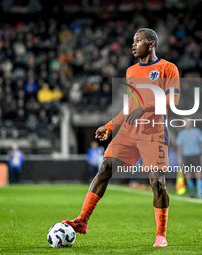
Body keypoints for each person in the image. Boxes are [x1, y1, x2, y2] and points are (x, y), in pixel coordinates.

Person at [63, 28, 181, 247]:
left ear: (151, 43)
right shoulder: (131, 72)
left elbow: (172, 100)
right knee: (105, 167)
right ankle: (82, 220)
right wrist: (109, 126)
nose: (133, 44)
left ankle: (161, 235)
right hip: (128, 131)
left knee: (157, 183)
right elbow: (129, 108)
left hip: (153, 131)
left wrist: (145, 108)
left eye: (138, 40)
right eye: (132, 40)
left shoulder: (168, 68)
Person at [176, 118, 202, 198]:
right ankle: (192, 192)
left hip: (196, 155)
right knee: (188, 174)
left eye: (189, 122)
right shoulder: (182, 134)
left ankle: (200, 193)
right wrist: (179, 157)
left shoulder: (197, 132)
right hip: (187, 156)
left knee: (198, 173)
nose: (187, 123)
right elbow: (179, 147)